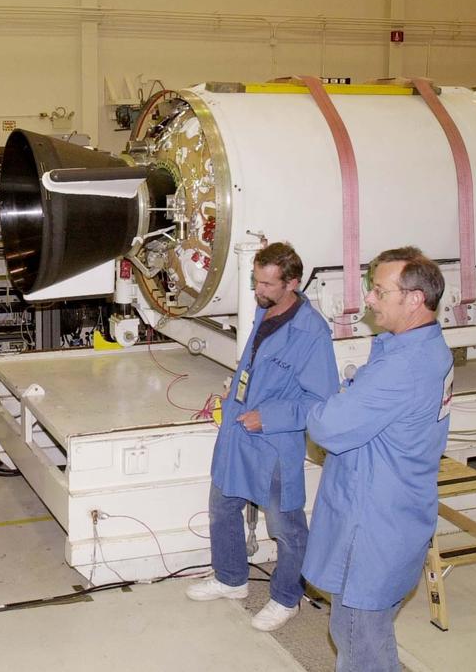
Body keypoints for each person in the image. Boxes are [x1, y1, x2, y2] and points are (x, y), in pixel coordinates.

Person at [302, 247, 453, 672]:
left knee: (359, 639)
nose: (368, 298)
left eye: (379, 291)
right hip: (399, 511)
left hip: (373, 524)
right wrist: (353, 393)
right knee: (368, 634)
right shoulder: (421, 348)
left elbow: (328, 426)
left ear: (413, 299)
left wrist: (338, 397)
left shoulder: (403, 367)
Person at [187, 241, 338, 632]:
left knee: (286, 527)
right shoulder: (263, 309)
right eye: (257, 281)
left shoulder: (312, 333)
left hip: (273, 440)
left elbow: (322, 402)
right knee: (222, 505)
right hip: (239, 428)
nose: (259, 291)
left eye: (269, 285)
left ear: (293, 283)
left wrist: (268, 416)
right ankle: (231, 577)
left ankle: (287, 598)